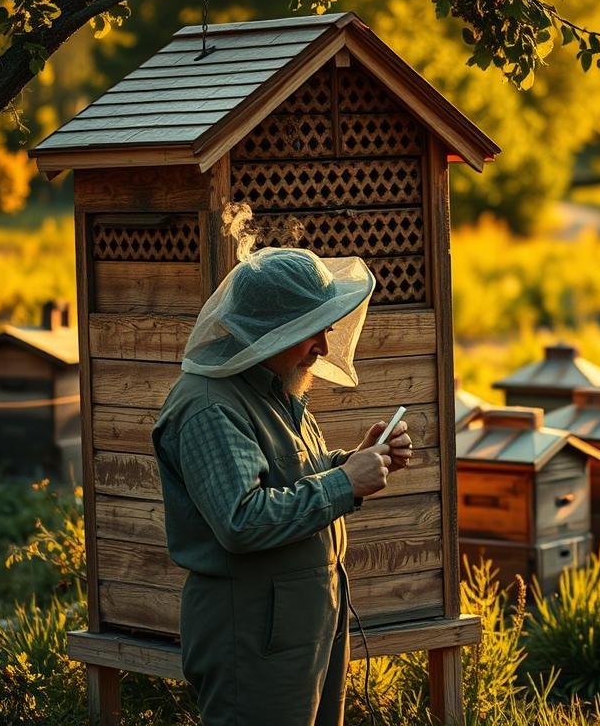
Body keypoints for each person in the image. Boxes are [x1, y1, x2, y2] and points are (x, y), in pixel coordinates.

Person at [152, 247, 412, 726]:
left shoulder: (274, 384)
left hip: (304, 626)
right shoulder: (210, 407)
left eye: (326, 329)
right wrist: (343, 483)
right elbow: (241, 520)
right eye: (311, 331)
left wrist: (354, 460)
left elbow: (288, 475)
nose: (323, 348)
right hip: (251, 637)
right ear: (268, 329)